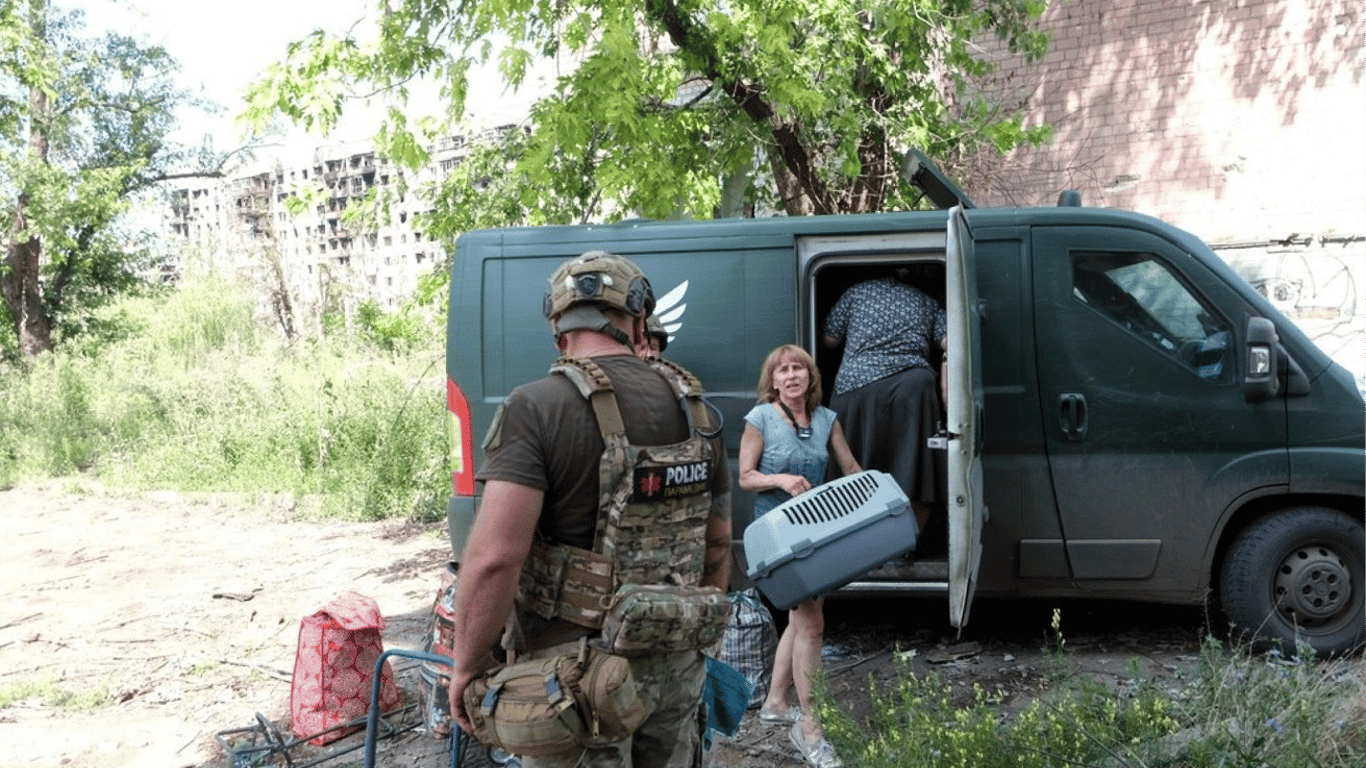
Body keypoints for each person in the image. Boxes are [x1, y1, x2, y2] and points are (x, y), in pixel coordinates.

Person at [446, 251, 733, 768]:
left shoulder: (534, 407)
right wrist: (694, 643)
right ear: (639, 320)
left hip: (571, 687)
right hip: (675, 666)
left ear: (558, 328)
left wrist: (465, 666)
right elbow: (716, 542)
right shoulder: (696, 410)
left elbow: (495, 558)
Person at [738, 344, 860, 768]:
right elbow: (745, 477)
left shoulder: (827, 420)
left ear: (810, 377)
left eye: (799, 369)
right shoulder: (761, 419)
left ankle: (774, 702)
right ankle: (810, 728)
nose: (791, 375)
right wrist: (782, 479)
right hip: (777, 531)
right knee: (812, 624)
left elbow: (850, 469)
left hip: (816, 528)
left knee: (801, 617)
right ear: (772, 381)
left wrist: (870, 501)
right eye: (783, 370)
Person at [822, 269, 947, 532]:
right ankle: (904, 544)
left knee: (853, 473)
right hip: (912, 390)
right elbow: (949, 342)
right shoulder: (927, 301)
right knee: (914, 471)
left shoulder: (855, 293)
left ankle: (856, 545)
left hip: (856, 389)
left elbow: (829, 340)